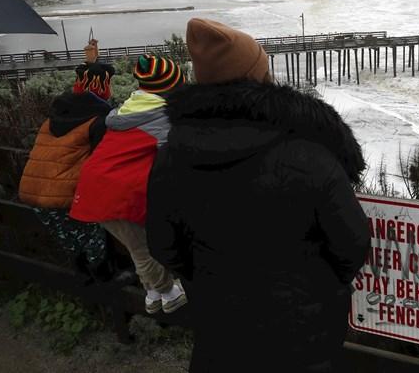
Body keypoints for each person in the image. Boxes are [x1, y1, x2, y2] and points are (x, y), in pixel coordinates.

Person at [146, 18, 370, 372]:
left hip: (218, 328)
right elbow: (353, 244)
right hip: (302, 335)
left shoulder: (170, 156)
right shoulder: (308, 155)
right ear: (259, 77)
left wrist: (209, 280)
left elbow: (162, 244)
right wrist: (315, 288)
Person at [71, 55, 188, 314]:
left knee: (138, 246)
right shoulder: (162, 118)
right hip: (114, 194)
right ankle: (168, 294)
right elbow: (172, 159)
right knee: (143, 248)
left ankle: (154, 294)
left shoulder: (127, 111)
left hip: (95, 188)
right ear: (172, 85)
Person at [18, 61, 116, 280]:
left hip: (33, 191)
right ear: (104, 87)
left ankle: (86, 288)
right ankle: (107, 291)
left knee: (74, 244)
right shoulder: (98, 121)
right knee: (95, 242)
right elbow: (104, 162)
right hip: (65, 195)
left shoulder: (54, 116)